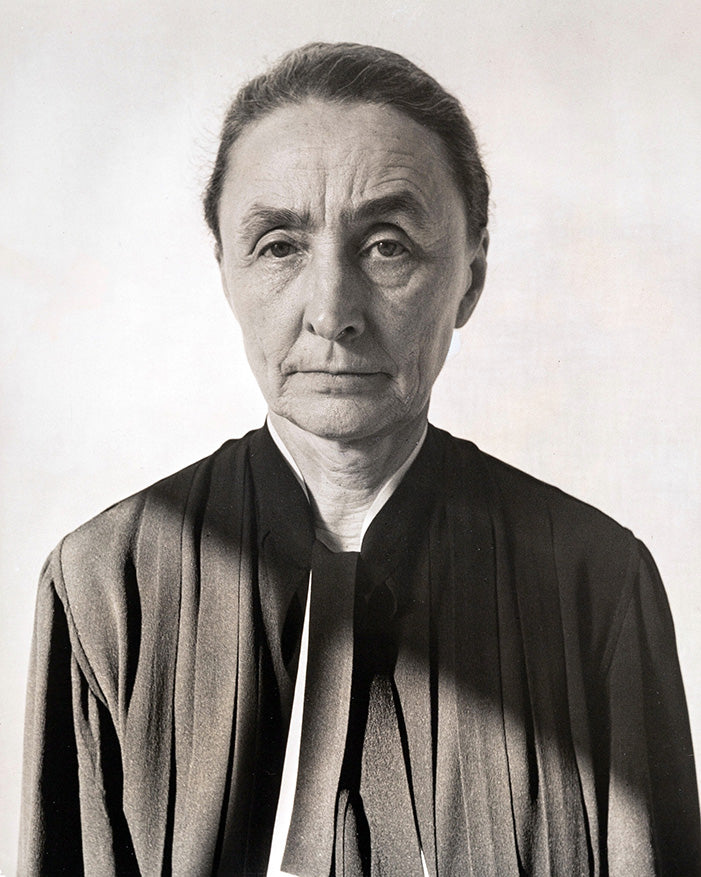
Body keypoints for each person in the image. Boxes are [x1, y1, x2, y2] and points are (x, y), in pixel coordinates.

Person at [18, 41, 701, 877]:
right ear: (225, 272)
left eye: (387, 245)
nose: (332, 312)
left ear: (471, 276)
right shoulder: (103, 584)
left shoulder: (596, 583)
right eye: (279, 246)